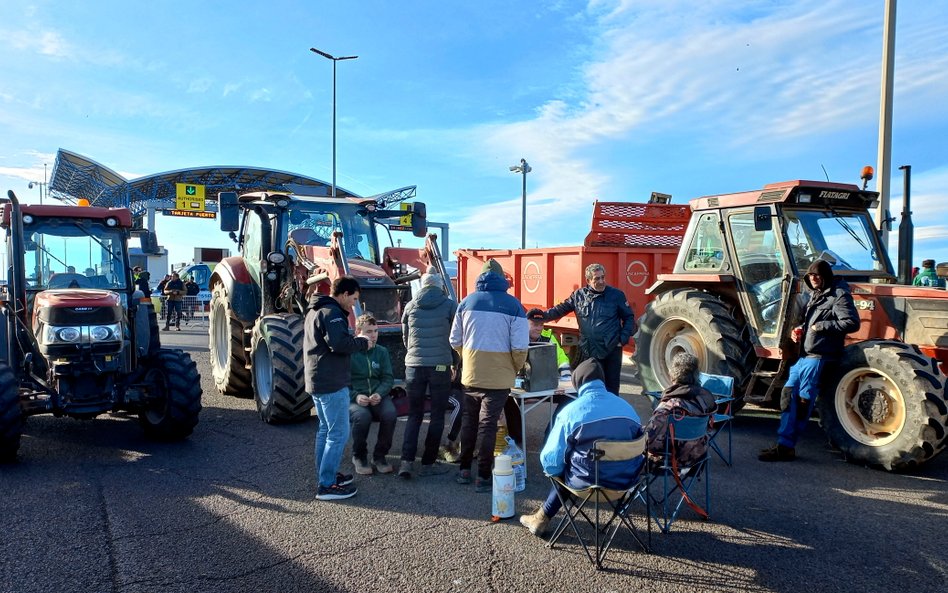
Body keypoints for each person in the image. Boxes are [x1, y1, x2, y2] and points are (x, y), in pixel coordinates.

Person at [519, 359, 644, 537]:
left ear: (577, 382)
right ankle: (541, 517)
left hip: (585, 484)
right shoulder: (628, 409)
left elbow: (550, 463)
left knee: (563, 464)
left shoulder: (570, 412)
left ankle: (541, 518)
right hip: (625, 482)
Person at [759, 259, 859, 462]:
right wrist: (800, 330)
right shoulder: (816, 295)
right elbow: (809, 321)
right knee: (787, 396)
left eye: (817, 275)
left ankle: (786, 446)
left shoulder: (839, 295)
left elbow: (851, 322)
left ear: (825, 276)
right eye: (810, 276)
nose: (813, 279)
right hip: (803, 357)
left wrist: (819, 327)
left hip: (818, 357)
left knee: (803, 402)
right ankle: (783, 444)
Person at [450, 259, 529, 492]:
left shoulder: (466, 302)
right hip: (499, 377)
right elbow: (520, 347)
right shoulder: (514, 305)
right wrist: (514, 367)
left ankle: (464, 470)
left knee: (469, 421)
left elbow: (454, 339)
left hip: (471, 374)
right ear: (502, 278)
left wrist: (467, 357)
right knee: (488, 424)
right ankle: (483, 476)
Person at [305, 276, 369, 500]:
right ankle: (326, 485)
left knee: (325, 430)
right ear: (344, 294)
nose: (354, 303)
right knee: (339, 433)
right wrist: (362, 341)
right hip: (331, 382)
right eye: (354, 298)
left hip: (317, 380)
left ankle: (326, 474)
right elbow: (339, 344)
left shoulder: (316, 310)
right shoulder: (332, 313)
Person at [529, 263, 635, 396]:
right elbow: (560, 310)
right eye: (597, 279)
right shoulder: (578, 296)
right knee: (590, 388)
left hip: (611, 349)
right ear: (588, 280)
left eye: (603, 277)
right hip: (589, 351)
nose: (601, 281)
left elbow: (629, 317)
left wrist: (622, 339)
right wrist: (541, 316)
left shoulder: (616, 295)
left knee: (611, 390)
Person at [399, 270, 457, 478]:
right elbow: (455, 338)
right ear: (440, 286)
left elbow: (405, 337)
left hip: (414, 366)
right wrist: (454, 362)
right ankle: (428, 463)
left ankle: (406, 462)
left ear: (423, 286)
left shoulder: (410, 305)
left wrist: (414, 354)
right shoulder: (450, 305)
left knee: (414, 414)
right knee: (437, 415)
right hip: (440, 366)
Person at [644, 353, 716, 467]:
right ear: (697, 374)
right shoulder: (706, 400)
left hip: (671, 461)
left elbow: (649, 441)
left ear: (672, 375)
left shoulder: (668, 407)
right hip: (698, 459)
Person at [349, 313, 396, 476]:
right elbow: (342, 383)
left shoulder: (382, 351)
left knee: (390, 414)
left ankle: (380, 456)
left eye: (376, 331)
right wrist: (355, 396)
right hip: (355, 398)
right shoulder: (349, 353)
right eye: (369, 331)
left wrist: (379, 394)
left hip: (377, 396)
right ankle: (359, 456)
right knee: (362, 417)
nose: (374, 335)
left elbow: (388, 378)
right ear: (358, 332)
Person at [526, 310, 571, 378]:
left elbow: (560, 357)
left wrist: (566, 375)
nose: (539, 328)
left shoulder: (548, 337)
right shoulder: (517, 337)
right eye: (535, 325)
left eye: (541, 325)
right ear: (525, 324)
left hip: (543, 378)